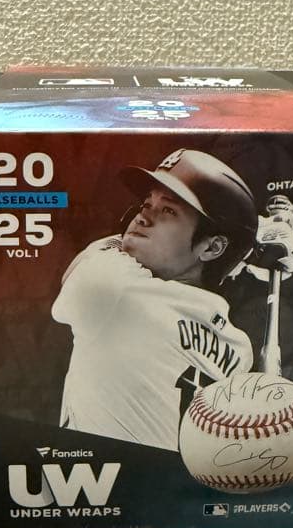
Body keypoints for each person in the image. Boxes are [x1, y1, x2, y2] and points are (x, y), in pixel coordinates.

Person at [51, 148, 263, 451]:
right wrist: (250, 246)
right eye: (147, 203)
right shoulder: (239, 349)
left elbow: (83, 264)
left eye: (168, 211)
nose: (142, 216)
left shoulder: (117, 290)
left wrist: (252, 245)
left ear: (212, 247)